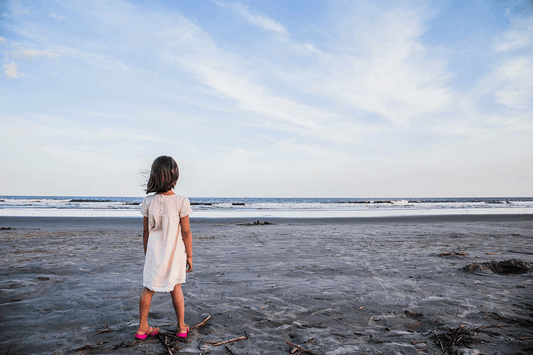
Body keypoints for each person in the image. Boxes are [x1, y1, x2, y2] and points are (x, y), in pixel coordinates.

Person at [135, 156, 193, 339]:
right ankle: (181, 326)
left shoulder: (148, 202)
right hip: (175, 252)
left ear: (154, 177)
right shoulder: (181, 201)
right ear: (175, 178)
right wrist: (190, 256)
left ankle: (142, 327)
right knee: (175, 286)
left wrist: (148, 253)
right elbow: (186, 232)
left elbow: (146, 232)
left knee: (148, 288)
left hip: (154, 250)